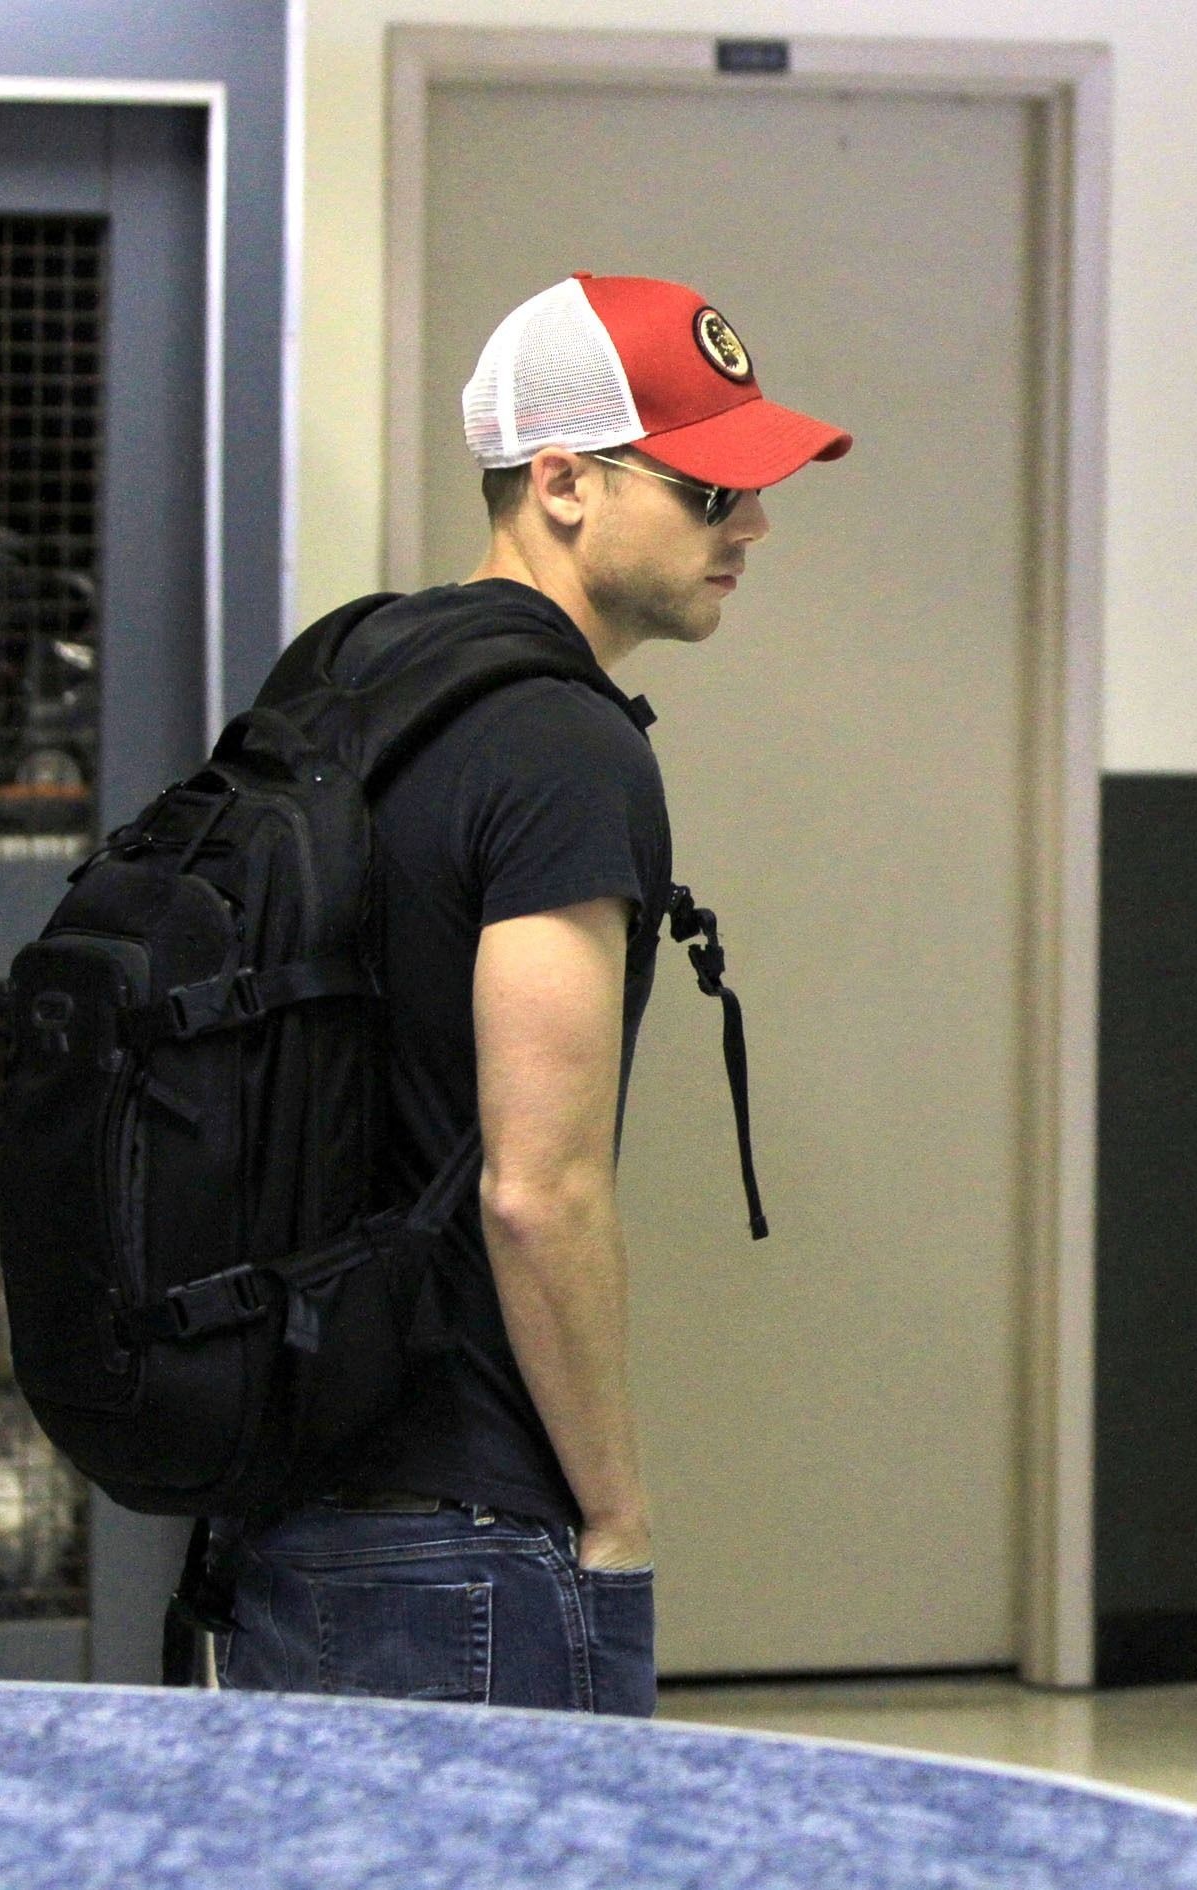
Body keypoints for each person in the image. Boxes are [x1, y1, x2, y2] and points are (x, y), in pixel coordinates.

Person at [215, 273, 849, 1714]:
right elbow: (537, 1187)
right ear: (562, 483)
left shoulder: (350, 672)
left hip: (295, 1491)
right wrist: (615, 1518)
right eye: (710, 489)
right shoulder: (562, 745)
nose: (753, 526)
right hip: (464, 1532)